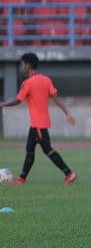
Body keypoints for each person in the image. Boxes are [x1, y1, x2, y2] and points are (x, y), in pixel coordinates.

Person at [0, 52, 77, 185]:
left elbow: (18, 100)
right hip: (38, 124)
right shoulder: (46, 80)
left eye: (23, 64)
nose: (22, 67)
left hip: (38, 125)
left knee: (47, 149)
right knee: (30, 149)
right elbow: (56, 97)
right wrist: (67, 113)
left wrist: (3, 104)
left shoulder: (28, 83)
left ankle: (69, 173)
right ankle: (22, 178)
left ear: (28, 65)